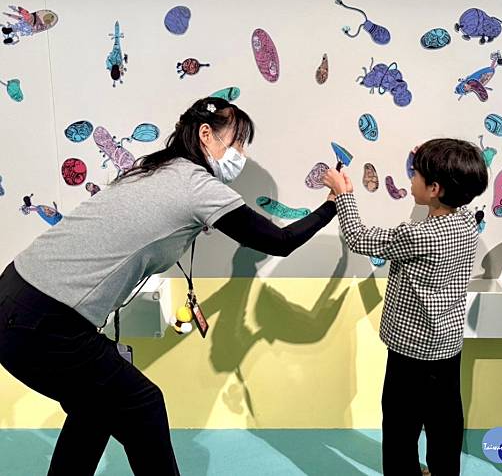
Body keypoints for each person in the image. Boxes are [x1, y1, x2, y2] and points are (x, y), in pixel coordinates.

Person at [0, 97, 337, 476]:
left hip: (14, 296)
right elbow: (279, 242)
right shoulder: (196, 185)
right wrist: (332, 203)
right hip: (45, 323)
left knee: (95, 408)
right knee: (142, 404)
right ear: (205, 133)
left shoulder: (151, 169)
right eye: (236, 142)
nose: (239, 155)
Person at [323, 138, 489, 475]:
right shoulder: (468, 222)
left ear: (434, 188)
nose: (409, 178)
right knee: (445, 423)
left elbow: (359, 238)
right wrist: (426, 156)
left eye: (415, 173)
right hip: (446, 346)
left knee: (400, 426)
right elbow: (450, 189)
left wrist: (344, 196)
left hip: (411, 351)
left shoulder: (418, 235)